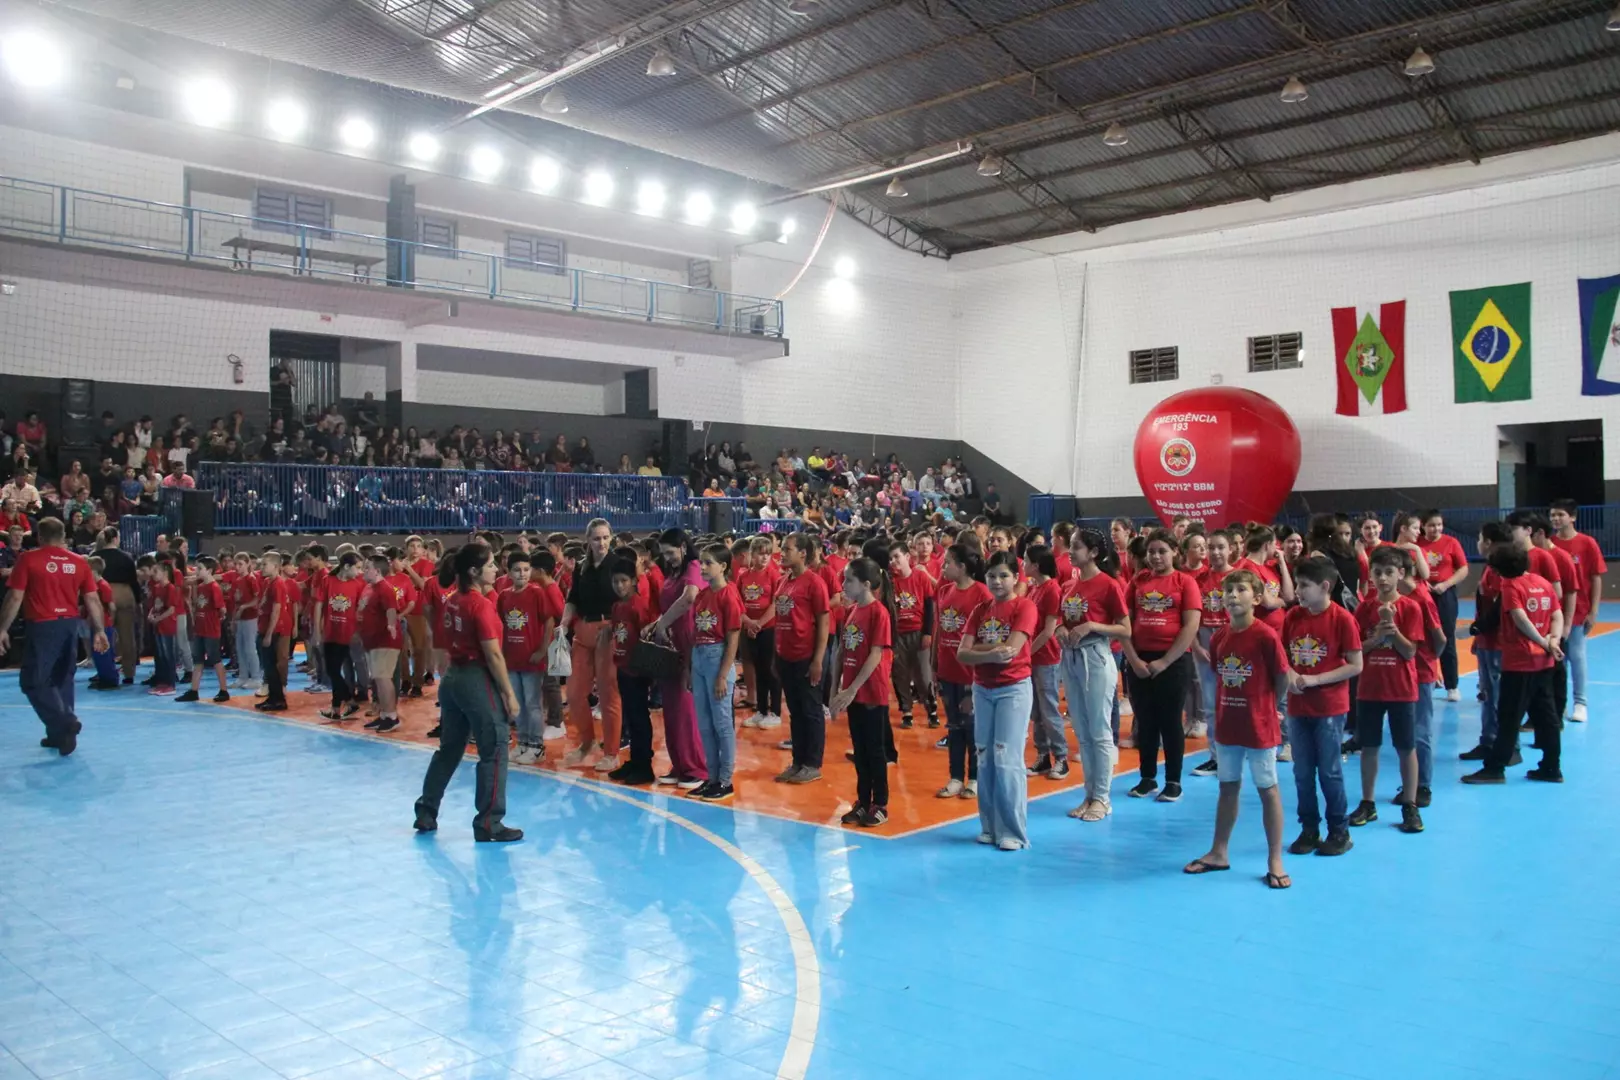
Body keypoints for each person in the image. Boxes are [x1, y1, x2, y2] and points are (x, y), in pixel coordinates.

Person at [1184, 569, 1291, 888]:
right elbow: (1221, 675)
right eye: (1227, 591)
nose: (1231, 596)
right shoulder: (1219, 637)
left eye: (1240, 590)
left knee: (1267, 788)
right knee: (1227, 787)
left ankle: (1274, 858)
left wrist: (1273, 706)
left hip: (1260, 725)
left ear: (1256, 598)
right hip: (1229, 723)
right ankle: (1219, 851)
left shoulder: (1265, 636)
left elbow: (1282, 675)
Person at [414, 542, 524, 842]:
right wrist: (509, 695)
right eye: (490, 565)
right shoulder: (480, 604)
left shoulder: (452, 600)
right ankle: (490, 821)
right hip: (476, 678)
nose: (495, 569)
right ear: (475, 572)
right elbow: (493, 655)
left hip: (453, 677)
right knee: (496, 747)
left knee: (449, 748)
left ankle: (426, 810)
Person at [0, 517, 107, 755]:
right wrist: (99, 630)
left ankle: (64, 722)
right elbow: (92, 599)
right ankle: (60, 736)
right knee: (62, 679)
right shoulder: (80, 562)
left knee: (33, 680)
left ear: (39, 536)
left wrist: (2, 629)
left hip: (43, 625)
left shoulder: (28, 559)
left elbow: (15, 597)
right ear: (63, 537)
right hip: (69, 625)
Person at [1462, 543, 1564, 785]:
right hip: (1544, 662)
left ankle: (1495, 768)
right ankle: (1551, 767)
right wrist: (1553, 640)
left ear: (1498, 569)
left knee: (1509, 717)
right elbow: (1557, 614)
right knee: (1547, 716)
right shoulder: (1542, 582)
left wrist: (1541, 641)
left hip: (1520, 662)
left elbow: (1519, 618)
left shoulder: (1510, 586)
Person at [1281, 556, 1362, 857]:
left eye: (1304, 586)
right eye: (1298, 584)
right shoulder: (1292, 617)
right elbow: (1283, 656)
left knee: (1329, 770)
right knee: (1302, 771)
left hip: (1329, 707)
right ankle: (1309, 828)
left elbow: (1356, 664)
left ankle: (1339, 830)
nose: (1298, 591)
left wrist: (1316, 679)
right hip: (1298, 708)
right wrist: (1290, 676)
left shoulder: (1342, 619)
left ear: (1325, 587)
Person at [957, 550, 1037, 851]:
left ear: (1016, 578)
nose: (997, 581)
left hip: (1013, 689)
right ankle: (989, 826)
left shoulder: (1025, 607)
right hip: (983, 689)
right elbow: (961, 654)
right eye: (992, 576)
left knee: (1007, 758)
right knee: (985, 758)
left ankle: (1013, 831)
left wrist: (981, 650)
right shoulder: (980, 610)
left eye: (1004, 575)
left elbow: (1012, 650)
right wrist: (990, 651)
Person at [1122, 528, 1202, 802]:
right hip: (1140, 659)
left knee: (1170, 722)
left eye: (1162, 551)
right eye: (1151, 552)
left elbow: (1191, 625)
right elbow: (1125, 624)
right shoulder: (1137, 581)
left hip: (1174, 661)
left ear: (1175, 553)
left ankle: (1173, 780)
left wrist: (1165, 661)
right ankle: (1147, 778)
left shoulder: (1185, 582)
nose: (1155, 557)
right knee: (1145, 721)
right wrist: (1134, 660)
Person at [1350, 547, 1425, 834]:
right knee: (1369, 747)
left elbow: (1409, 652)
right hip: (1370, 688)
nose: (1383, 579)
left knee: (1406, 748)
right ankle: (1368, 803)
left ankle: (1410, 804)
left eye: (1389, 573)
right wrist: (1377, 636)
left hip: (1401, 689)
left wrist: (1391, 628)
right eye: (1378, 573)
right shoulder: (1364, 608)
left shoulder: (1411, 607)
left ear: (1401, 575)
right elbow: (1358, 649)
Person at [1056, 529, 1129, 822]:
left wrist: (1093, 627)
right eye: (1071, 545)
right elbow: (1063, 619)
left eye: (1077, 546)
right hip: (1071, 658)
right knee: (1082, 731)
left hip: (1097, 657)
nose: (1070, 551)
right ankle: (1089, 794)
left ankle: (1103, 796)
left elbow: (1126, 628)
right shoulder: (1070, 585)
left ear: (1094, 552)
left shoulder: (1108, 585)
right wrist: (1061, 628)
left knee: (1099, 729)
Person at [643, 529, 708, 789]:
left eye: (670, 552)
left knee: (686, 706)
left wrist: (662, 623)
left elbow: (690, 597)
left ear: (683, 546)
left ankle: (697, 767)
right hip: (670, 644)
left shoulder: (693, 565)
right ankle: (679, 763)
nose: (667, 557)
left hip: (688, 643)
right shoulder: (673, 572)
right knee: (671, 709)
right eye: (664, 553)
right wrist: (657, 625)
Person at [833, 557, 895, 828]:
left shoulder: (878, 612)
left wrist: (852, 688)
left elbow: (875, 655)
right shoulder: (852, 610)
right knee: (859, 750)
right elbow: (841, 651)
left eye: (849, 580)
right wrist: (836, 689)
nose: (843, 584)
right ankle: (862, 801)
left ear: (866, 584)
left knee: (874, 750)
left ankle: (879, 803)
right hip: (853, 693)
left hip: (871, 693)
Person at [559, 519, 622, 768]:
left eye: (606, 537)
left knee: (609, 695)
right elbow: (572, 598)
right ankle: (587, 743)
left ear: (611, 538)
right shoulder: (581, 567)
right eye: (597, 538)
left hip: (609, 632)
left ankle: (612, 752)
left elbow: (627, 599)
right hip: (582, 632)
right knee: (574, 693)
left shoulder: (619, 565)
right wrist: (564, 623)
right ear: (588, 540)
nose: (602, 542)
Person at [934, 543, 992, 799]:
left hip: (971, 673)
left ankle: (976, 778)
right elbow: (939, 629)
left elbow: (986, 635)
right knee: (954, 726)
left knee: (972, 727)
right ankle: (955, 776)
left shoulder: (982, 593)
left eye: (948, 563)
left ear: (963, 567)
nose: (943, 567)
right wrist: (934, 665)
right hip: (948, 670)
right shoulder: (945, 591)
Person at [773, 532, 831, 785]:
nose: (782, 553)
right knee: (795, 711)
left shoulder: (814, 582)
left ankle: (812, 763)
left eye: (787, 549)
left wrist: (818, 660)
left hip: (806, 656)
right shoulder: (784, 581)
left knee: (811, 710)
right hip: (785, 656)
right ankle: (798, 760)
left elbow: (823, 622)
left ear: (803, 553)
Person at [689, 544, 742, 801]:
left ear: (723, 566)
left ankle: (725, 780)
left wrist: (723, 674)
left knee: (722, 723)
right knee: (704, 723)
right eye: (702, 562)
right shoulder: (701, 595)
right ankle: (711, 777)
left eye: (709, 562)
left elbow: (733, 636)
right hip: (699, 656)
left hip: (717, 656)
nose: (704, 567)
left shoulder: (728, 595)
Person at [499, 550, 561, 766]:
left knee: (532, 703)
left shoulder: (537, 593)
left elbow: (549, 622)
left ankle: (536, 745)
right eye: (517, 570)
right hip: (511, 659)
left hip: (532, 660)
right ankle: (523, 742)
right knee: (517, 704)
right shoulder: (504, 595)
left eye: (526, 570)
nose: (523, 574)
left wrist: (542, 650)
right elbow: (501, 624)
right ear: (509, 572)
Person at [1548, 498, 1606, 723]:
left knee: (1577, 655)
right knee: (1556, 658)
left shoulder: (1587, 543)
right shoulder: (1549, 544)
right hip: (1554, 612)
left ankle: (1580, 703)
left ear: (1572, 517)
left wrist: (1594, 610)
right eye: (1552, 514)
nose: (1555, 518)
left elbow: (1596, 577)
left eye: (1560, 514)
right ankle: (1558, 702)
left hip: (1579, 610)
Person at [1461, 522, 1510, 762]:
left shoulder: (1500, 569)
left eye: (1480, 538)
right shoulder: (1491, 567)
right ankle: (1488, 740)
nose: (1478, 543)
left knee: (1498, 696)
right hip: (1486, 641)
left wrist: (1478, 628)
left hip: (1498, 643)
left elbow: (1503, 606)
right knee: (1489, 694)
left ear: (1488, 542)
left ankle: (1502, 745)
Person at [607, 556, 658, 785]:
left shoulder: (639, 606)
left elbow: (648, 638)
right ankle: (634, 760)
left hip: (636, 671)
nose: (619, 586)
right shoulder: (617, 606)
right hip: (622, 667)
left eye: (623, 581)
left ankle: (644, 765)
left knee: (639, 718)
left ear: (634, 581)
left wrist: (646, 672)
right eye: (615, 581)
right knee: (629, 717)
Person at [1022, 544, 1067, 780]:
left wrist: (1026, 652)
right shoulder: (1033, 589)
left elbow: (1049, 630)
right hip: (1033, 657)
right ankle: (1043, 756)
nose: (1022, 564)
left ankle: (1061, 757)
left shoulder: (1052, 590)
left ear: (1036, 565)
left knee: (1049, 709)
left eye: (1026, 560)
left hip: (1046, 658)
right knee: (1036, 711)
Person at [1416, 511, 1469, 702]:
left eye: (1439, 525)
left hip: (1445, 594)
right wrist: (1422, 584)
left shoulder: (1451, 543)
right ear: (1423, 526)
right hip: (1421, 594)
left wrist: (1445, 584)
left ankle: (1452, 685)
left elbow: (1463, 569)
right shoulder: (1417, 544)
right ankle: (1428, 678)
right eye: (1431, 525)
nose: (1436, 529)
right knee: (1421, 638)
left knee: (1446, 638)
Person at [887, 543, 939, 731]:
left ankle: (931, 710)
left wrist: (927, 632)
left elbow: (929, 607)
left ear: (907, 556)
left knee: (923, 676)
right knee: (900, 674)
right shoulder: (890, 582)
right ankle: (906, 712)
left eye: (897, 557)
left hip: (918, 632)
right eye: (891, 558)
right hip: (898, 634)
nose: (894, 562)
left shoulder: (920, 577)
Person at [737, 536, 782, 730]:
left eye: (768, 554)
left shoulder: (774, 575)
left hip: (768, 628)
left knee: (770, 670)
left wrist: (759, 624)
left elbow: (775, 603)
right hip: (750, 628)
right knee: (758, 670)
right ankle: (761, 710)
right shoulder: (743, 576)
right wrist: (748, 622)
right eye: (760, 554)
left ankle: (775, 711)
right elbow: (738, 603)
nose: (764, 558)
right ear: (752, 554)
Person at [317, 553, 365, 721]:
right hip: (331, 631)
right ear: (346, 566)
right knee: (334, 670)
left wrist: (358, 631)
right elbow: (319, 604)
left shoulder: (358, 584)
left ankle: (350, 701)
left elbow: (360, 609)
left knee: (333, 670)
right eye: (357, 568)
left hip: (347, 633)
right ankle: (336, 709)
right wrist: (317, 629)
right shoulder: (328, 581)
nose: (360, 572)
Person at [176, 557, 230, 703]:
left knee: (216, 660)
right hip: (200, 629)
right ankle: (194, 691)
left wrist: (216, 619)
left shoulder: (214, 587)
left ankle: (224, 690)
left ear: (209, 571)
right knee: (198, 661)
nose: (197, 571)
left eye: (200, 568)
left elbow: (222, 609)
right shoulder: (200, 587)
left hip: (211, 630)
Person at [92, 526, 139, 685]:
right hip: (125, 594)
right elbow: (134, 581)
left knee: (103, 633)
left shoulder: (95, 556)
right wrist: (138, 601)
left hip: (102, 595)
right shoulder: (126, 557)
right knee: (127, 636)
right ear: (116, 538)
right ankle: (129, 673)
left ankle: (106, 672)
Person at [84, 557, 121, 691]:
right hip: (98, 622)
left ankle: (110, 679)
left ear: (93, 571)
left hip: (104, 623)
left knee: (104, 653)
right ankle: (104, 677)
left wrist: (110, 622)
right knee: (98, 653)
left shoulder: (103, 586)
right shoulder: (95, 586)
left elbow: (111, 606)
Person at [229, 552, 264, 691]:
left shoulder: (251, 579)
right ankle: (243, 676)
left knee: (250, 648)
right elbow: (235, 603)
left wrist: (245, 607)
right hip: (240, 618)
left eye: (241, 564)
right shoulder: (237, 581)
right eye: (236, 564)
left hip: (251, 617)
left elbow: (257, 599)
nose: (237, 567)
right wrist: (233, 620)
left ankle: (256, 677)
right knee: (240, 648)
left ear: (248, 564)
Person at [145, 560, 180, 696]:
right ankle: (162, 682)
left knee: (168, 655)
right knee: (160, 655)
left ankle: (170, 684)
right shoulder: (157, 587)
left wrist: (157, 618)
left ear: (165, 573)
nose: (153, 575)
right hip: (158, 625)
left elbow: (171, 609)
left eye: (156, 572)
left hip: (167, 626)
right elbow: (155, 605)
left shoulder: (170, 588)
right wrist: (150, 615)